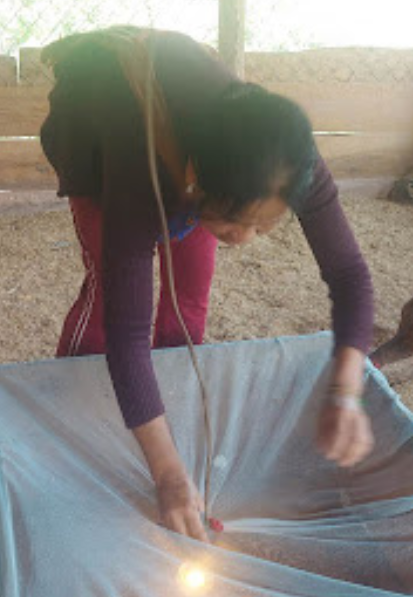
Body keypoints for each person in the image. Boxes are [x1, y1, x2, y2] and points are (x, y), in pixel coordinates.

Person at [40, 27, 375, 542]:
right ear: (197, 181)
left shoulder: (284, 157)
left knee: (189, 293)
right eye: (235, 223)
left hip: (193, 156)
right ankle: (81, 418)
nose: (245, 239)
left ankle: (160, 413)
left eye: (265, 226)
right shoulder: (137, 166)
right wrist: (168, 475)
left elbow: (350, 275)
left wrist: (346, 392)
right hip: (97, 127)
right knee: (111, 293)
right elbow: (127, 332)